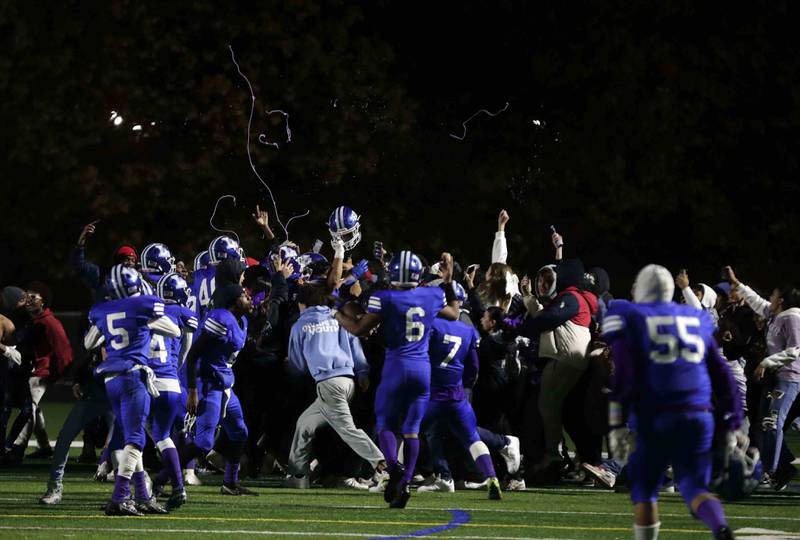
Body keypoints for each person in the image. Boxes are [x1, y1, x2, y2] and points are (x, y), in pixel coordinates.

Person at [603, 264, 742, 540]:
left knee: (644, 493)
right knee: (694, 487)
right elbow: (722, 373)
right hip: (699, 414)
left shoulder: (629, 314)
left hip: (657, 415)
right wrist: (734, 420)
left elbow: (625, 376)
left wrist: (617, 422)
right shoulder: (695, 318)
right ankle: (720, 528)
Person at [334, 251, 460, 508]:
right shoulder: (432, 295)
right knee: (412, 430)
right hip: (422, 370)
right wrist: (448, 280)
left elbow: (359, 328)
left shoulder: (386, 297)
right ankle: (404, 483)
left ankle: (395, 470)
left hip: (396, 366)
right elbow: (455, 314)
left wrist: (336, 314)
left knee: (385, 425)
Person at [84, 264, 180, 516]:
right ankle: (119, 497)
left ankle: (144, 495)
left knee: (129, 437)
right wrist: (144, 323)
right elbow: (175, 330)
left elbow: (88, 342)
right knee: (136, 439)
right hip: (132, 376)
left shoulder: (103, 309)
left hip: (110, 380)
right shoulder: (142, 307)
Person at [283, 283, 385, 488]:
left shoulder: (300, 324)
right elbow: (355, 346)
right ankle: (298, 476)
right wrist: (363, 372)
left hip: (329, 384)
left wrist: (288, 364)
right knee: (305, 425)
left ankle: (384, 465)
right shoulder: (337, 317)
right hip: (348, 381)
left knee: (348, 430)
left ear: (302, 303)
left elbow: (298, 367)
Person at [725, 266, 800, 489]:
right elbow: (757, 301)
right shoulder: (776, 315)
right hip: (776, 378)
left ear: (783, 300)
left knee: (772, 422)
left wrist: (767, 362)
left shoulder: (793, 317)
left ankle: (770, 470)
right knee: (767, 425)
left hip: (790, 377)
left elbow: (796, 349)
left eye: (774, 294)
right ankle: (783, 468)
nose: (770, 298)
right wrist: (738, 283)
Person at [182, 283, 257, 496]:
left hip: (225, 384)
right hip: (209, 384)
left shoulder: (241, 320)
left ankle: (230, 483)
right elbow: (193, 355)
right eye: (244, 295)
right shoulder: (221, 318)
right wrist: (192, 390)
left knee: (239, 431)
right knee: (204, 441)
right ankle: (162, 478)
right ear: (233, 300)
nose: (249, 298)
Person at [420, 315, 503, 499]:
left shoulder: (431, 325)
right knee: (472, 438)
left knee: (407, 432)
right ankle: (491, 478)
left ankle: (397, 479)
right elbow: (473, 367)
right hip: (457, 395)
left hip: (432, 395)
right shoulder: (467, 330)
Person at [6, 283, 73, 462]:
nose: (29, 300)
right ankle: (44, 447)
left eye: (34, 297)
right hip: (33, 371)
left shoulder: (49, 322)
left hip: (40, 373)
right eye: (27, 296)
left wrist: (56, 375)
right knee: (33, 410)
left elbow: (65, 352)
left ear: (44, 301)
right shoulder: (34, 320)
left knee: (29, 410)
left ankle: (17, 449)